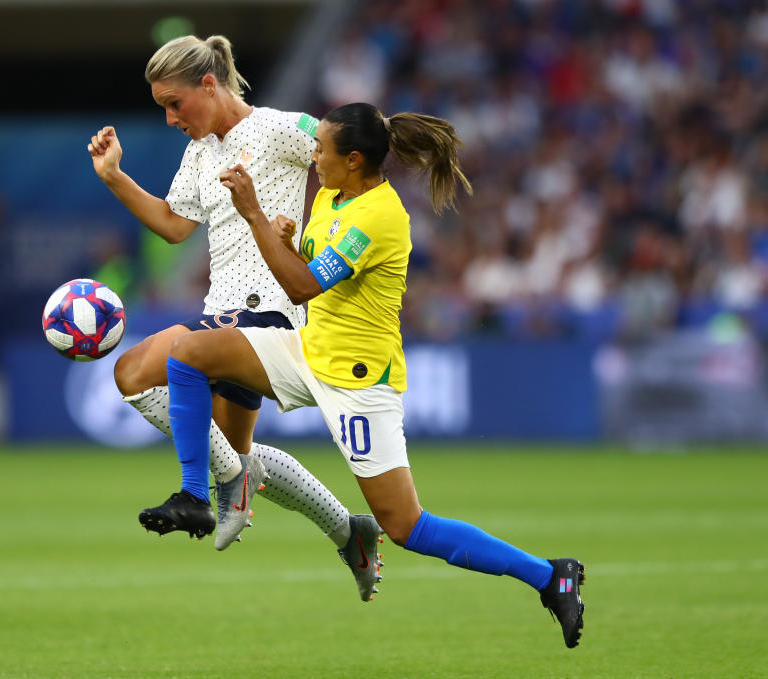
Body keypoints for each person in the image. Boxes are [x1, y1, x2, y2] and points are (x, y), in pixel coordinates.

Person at [157, 102, 586, 648]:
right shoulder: (333, 196)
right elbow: (308, 271)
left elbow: (303, 288)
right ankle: (195, 494)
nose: (313, 158)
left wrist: (257, 217)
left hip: (356, 383)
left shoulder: (380, 217)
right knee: (189, 354)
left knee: (407, 526)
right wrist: (287, 240)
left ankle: (552, 576)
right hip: (308, 351)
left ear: (354, 160)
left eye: (322, 151)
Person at [87, 35, 383, 601]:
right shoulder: (200, 153)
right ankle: (350, 532)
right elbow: (176, 226)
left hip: (266, 316)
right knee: (237, 454)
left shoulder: (278, 128)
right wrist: (114, 177)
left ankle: (205, 490)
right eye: (162, 109)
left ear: (209, 84)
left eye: (176, 104)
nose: (172, 118)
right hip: (219, 316)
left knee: (132, 373)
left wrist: (327, 239)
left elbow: (349, 157)